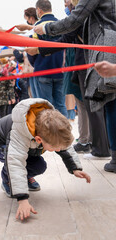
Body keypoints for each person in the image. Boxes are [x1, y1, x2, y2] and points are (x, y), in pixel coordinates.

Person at [34, 0, 116, 172]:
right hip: (103, 51)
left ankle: (106, 152)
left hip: (104, 50)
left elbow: (74, 22)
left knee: (106, 105)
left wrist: (47, 29)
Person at [0, 98, 91, 221]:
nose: (58, 150)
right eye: (55, 148)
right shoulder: (19, 134)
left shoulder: (52, 127)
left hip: (26, 141)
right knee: (13, 162)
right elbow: (15, 162)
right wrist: (22, 200)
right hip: (0, 140)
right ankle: (7, 181)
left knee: (39, 165)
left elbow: (64, 147)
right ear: (38, 140)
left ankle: (25, 176)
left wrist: (75, 168)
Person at [27, 0, 67, 117]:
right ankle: (64, 132)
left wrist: (36, 64)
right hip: (60, 69)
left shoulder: (36, 27)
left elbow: (31, 50)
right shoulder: (61, 24)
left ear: (39, 10)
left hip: (42, 69)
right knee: (60, 104)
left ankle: (49, 134)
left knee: (45, 106)